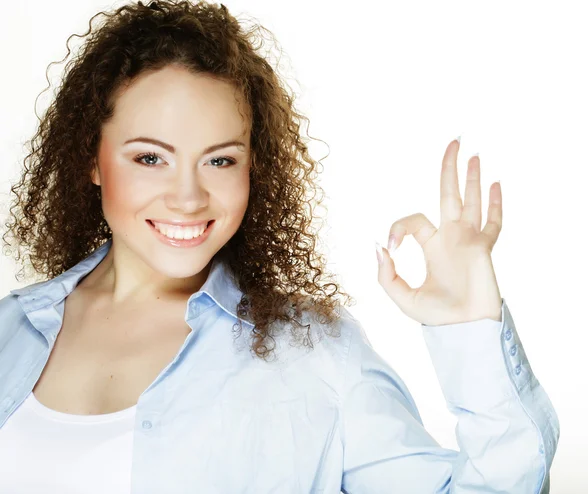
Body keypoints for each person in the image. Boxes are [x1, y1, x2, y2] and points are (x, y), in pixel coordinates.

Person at [0, 1, 559, 492]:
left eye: (220, 160)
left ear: (253, 168)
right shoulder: (10, 330)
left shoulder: (313, 355)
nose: (189, 197)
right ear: (91, 160)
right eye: (151, 158)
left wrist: (470, 332)